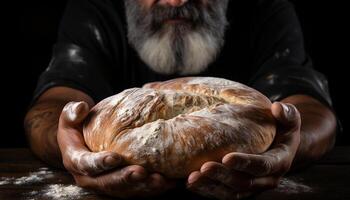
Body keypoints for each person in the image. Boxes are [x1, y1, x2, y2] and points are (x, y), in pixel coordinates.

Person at [24, 0, 337, 199]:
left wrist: (292, 142)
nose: (177, 1)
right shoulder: (94, 10)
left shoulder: (264, 9)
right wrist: (68, 142)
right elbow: (53, 105)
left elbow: (311, 109)